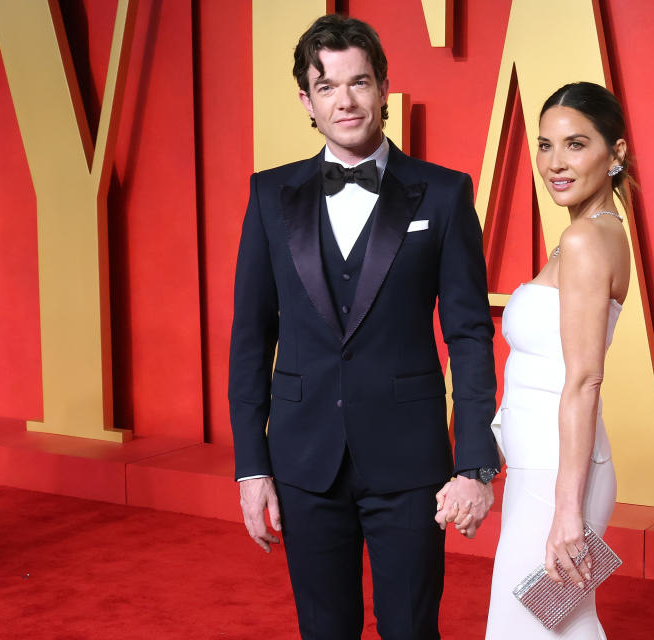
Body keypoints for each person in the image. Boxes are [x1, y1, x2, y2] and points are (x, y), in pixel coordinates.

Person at [227, 14, 501, 640]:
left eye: (359, 82)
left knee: (410, 628)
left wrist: (475, 462)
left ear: (383, 88)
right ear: (306, 100)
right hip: (303, 458)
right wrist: (251, 467)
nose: (345, 101)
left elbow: (468, 334)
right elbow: (251, 338)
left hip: (410, 460)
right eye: (327, 87)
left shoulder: (443, 193)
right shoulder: (270, 195)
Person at [448, 81, 631, 638]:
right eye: (546, 146)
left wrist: (567, 510)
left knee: (523, 628)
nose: (555, 163)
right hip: (548, 468)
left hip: (558, 477)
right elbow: (539, 379)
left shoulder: (585, 243)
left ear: (615, 153)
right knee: (561, 627)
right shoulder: (589, 234)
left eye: (576, 144)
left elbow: (582, 380)